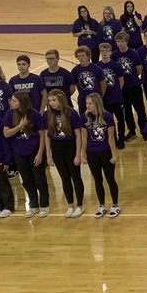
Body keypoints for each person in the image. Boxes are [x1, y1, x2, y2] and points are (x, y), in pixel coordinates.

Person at [3, 92, 49, 218]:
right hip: (19, 152)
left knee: (39, 179)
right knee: (27, 180)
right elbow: (6, 133)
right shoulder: (9, 114)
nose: (11, 102)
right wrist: (20, 126)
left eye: (14, 101)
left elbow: (42, 135)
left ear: (22, 102)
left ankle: (44, 205)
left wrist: (40, 153)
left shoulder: (34, 114)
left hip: (34, 151)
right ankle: (33, 205)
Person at [44, 89, 86, 218]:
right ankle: (70, 205)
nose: (51, 103)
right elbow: (47, 136)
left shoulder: (71, 113)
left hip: (70, 147)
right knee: (64, 177)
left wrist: (78, 154)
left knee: (75, 176)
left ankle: (80, 205)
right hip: (57, 149)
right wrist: (48, 155)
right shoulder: (48, 115)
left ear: (61, 99)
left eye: (54, 100)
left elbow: (78, 135)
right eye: (49, 101)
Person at [81, 93, 119, 219]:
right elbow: (84, 138)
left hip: (105, 152)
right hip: (92, 153)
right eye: (86, 103)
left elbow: (111, 138)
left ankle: (115, 205)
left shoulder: (107, 116)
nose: (87, 106)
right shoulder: (85, 118)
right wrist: (83, 155)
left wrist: (114, 155)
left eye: (90, 103)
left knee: (110, 179)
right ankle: (101, 205)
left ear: (97, 104)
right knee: (97, 180)